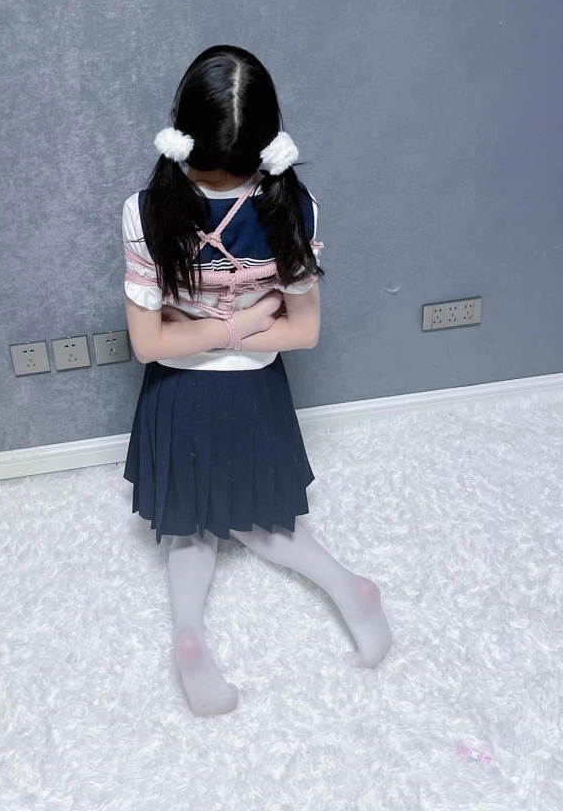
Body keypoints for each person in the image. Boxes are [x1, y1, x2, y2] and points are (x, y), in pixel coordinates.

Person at [122, 45, 392, 716]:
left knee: (189, 528)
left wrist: (200, 329)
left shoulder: (145, 210)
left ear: (181, 132)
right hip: (253, 392)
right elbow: (303, 331)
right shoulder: (296, 206)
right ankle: (349, 586)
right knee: (263, 520)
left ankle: (188, 634)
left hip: (179, 393)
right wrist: (245, 321)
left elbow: (149, 345)